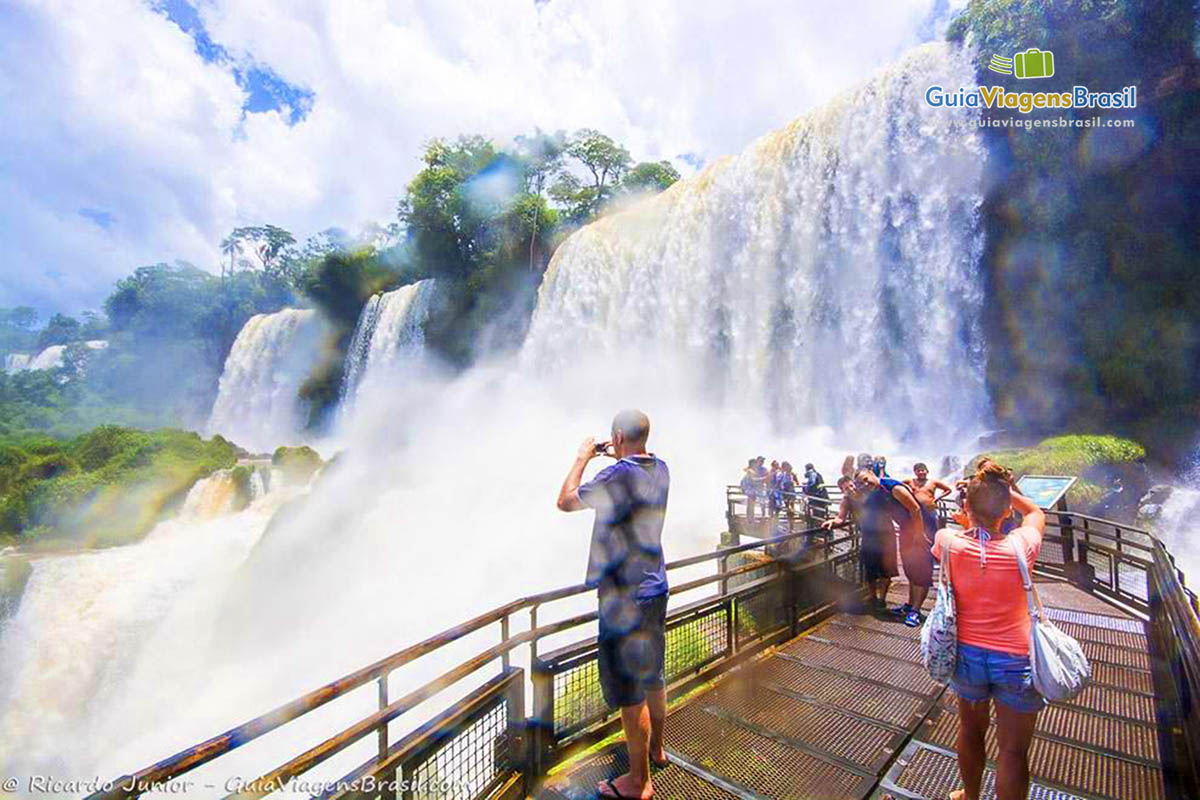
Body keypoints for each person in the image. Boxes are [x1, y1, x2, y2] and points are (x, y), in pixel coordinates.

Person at [557, 410, 670, 800]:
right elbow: (632, 469)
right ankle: (656, 750)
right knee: (653, 674)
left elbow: (565, 501)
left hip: (625, 599)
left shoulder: (617, 475)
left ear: (618, 437)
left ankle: (638, 782)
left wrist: (583, 457)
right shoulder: (660, 468)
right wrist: (619, 454)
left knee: (629, 691)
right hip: (656, 588)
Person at [933, 462, 1047, 800]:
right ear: (1007, 509)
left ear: (966, 507)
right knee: (1012, 751)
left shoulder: (948, 543)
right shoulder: (1021, 545)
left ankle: (970, 796)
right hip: (1015, 659)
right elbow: (1036, 513)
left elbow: (967, 536)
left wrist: (973, 516)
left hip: (966, 656)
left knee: (970, 731)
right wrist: (1007, 490)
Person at [856, 469, 923, 617]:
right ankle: (910, 606)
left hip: (919, 529)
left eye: (866, 479)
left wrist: (919, 533)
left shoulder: (892, 487)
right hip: (907, 531)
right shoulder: (879, 491)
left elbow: (916, 509)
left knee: (919, 570)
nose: (866, 484)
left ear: (873, 474)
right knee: (909, 569)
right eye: (862, 483)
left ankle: (915, 611)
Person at [900, 462, 954, 620]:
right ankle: (910, 605)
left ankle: (931, 554)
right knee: (912, 553)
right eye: (918, 470)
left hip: (930, 514)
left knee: (927, 544)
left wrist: (936, 499)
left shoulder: (933, 482)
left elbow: (949, 489)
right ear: (915, 471)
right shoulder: (909, 482)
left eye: (923, 470)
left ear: (927, 471)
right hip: (915, 515)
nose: (921, 472)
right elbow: (896, 487)